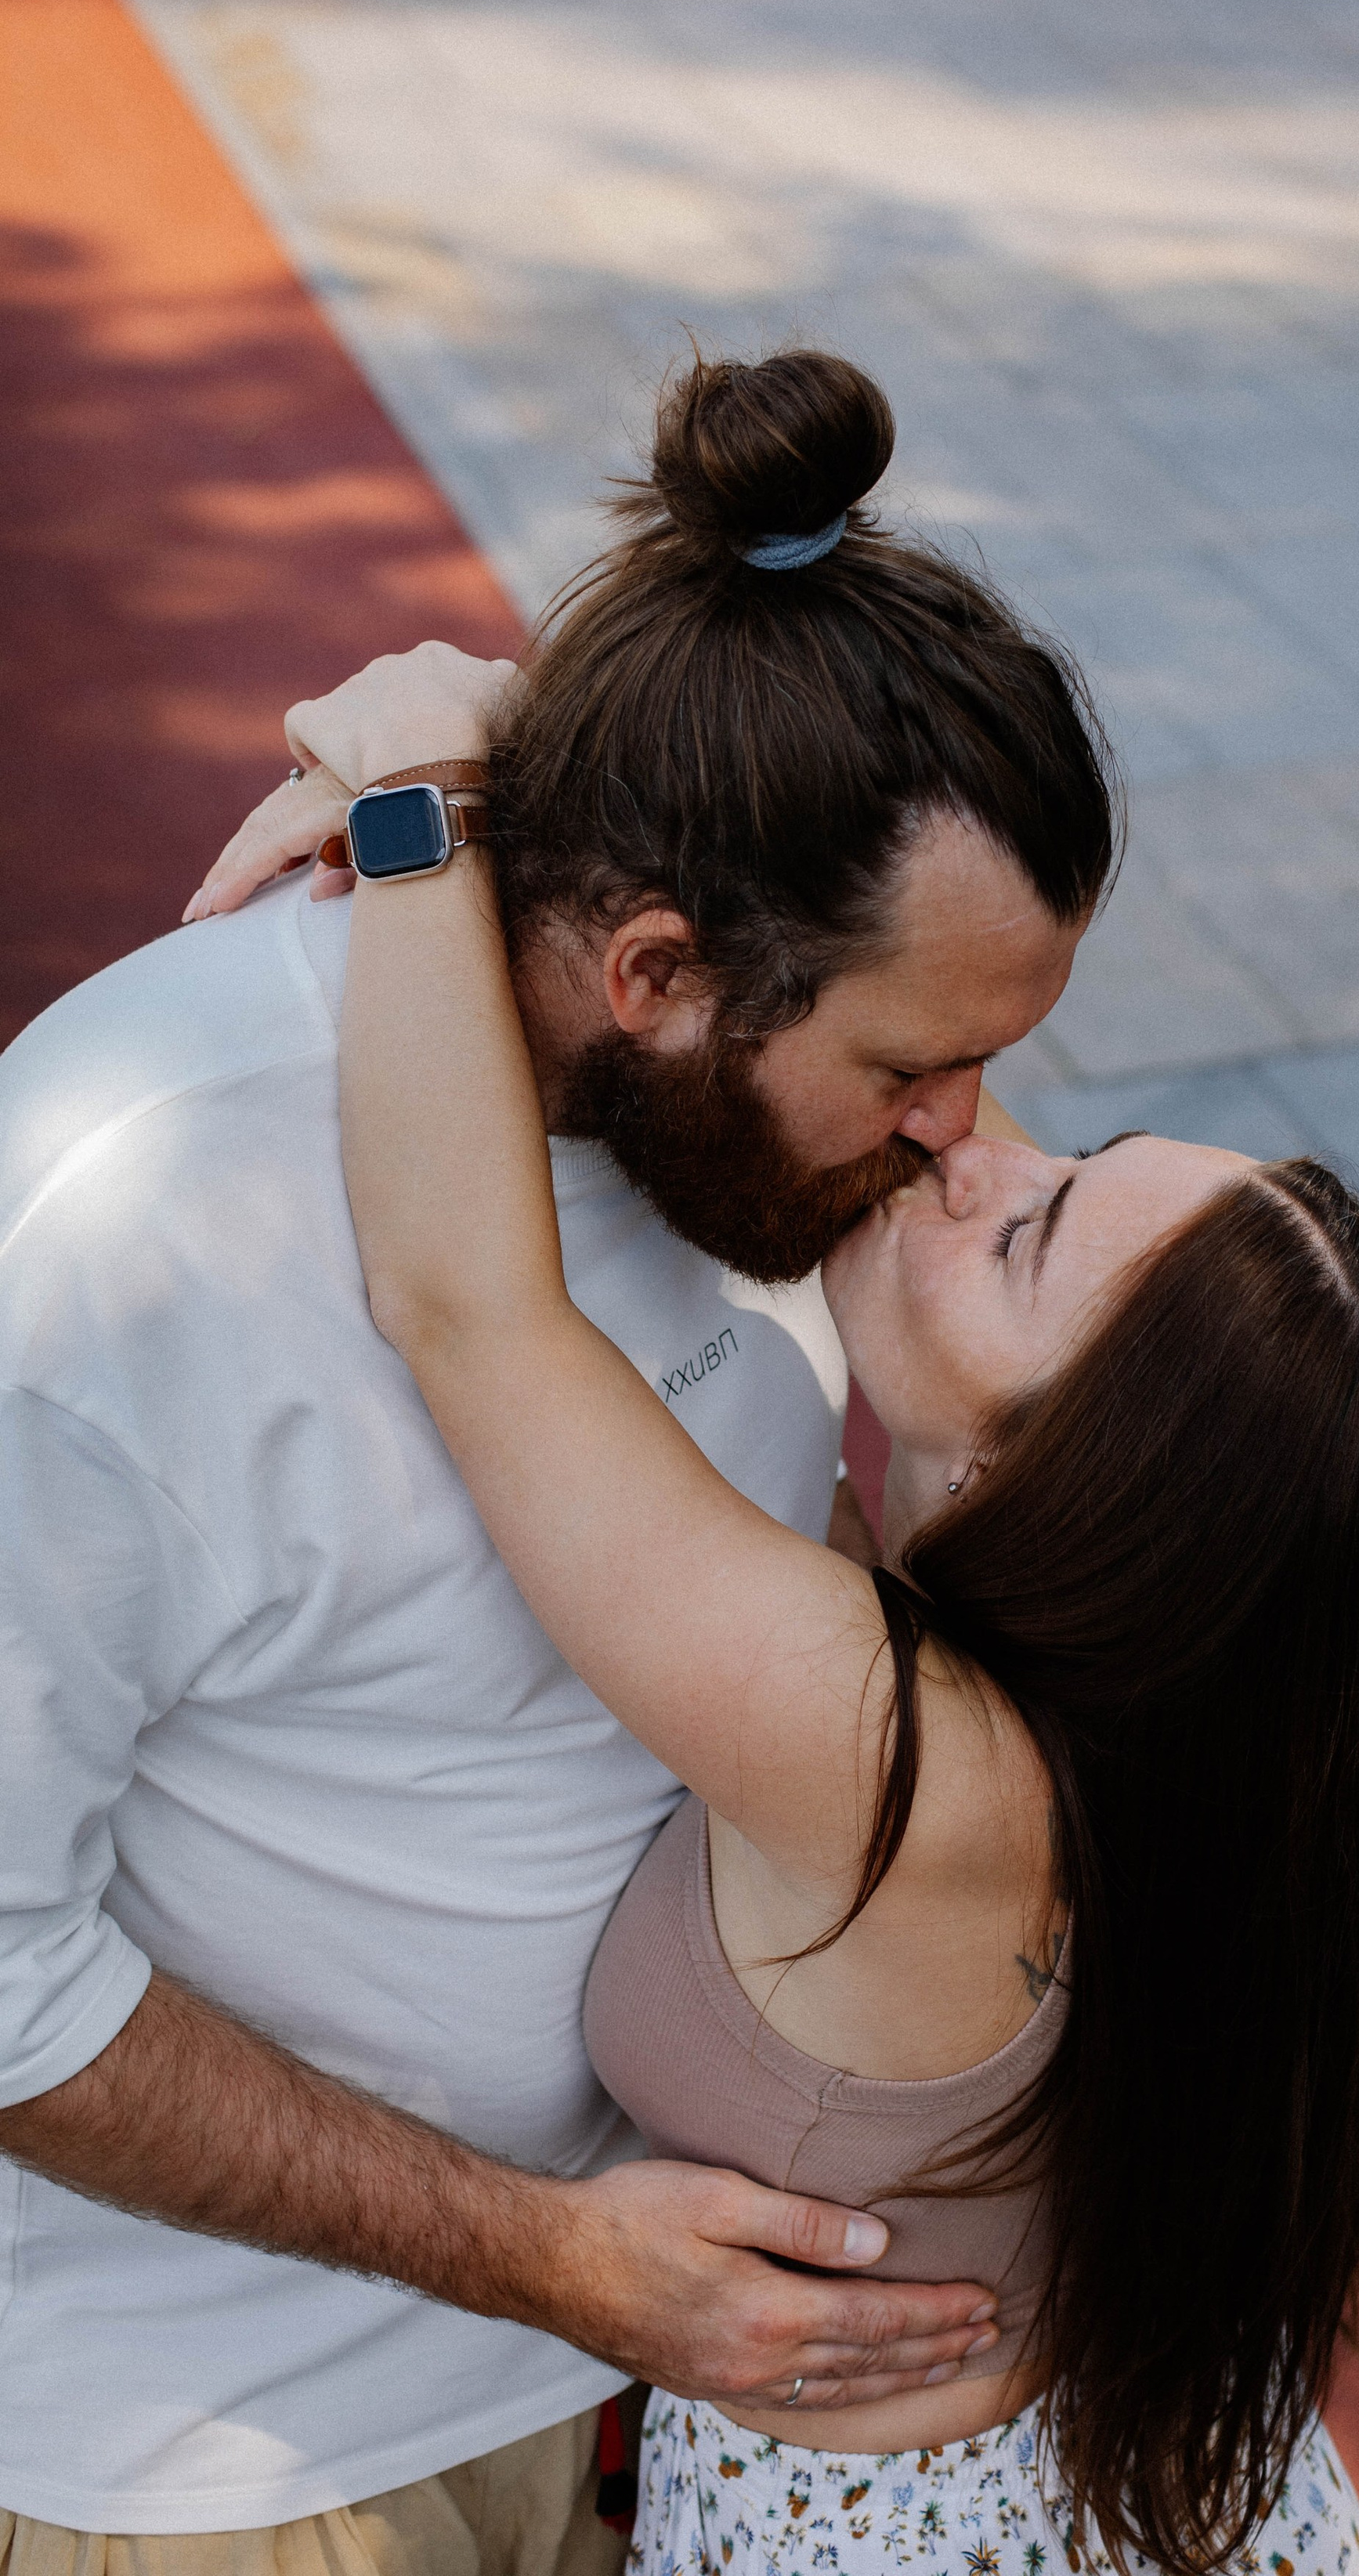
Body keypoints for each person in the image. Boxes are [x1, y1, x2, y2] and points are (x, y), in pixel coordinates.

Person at [0, 351, 1117, 2571]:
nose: (962, 1139)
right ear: (657, 975)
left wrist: (460, 748)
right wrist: (548, 2257)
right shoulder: (132, 1227)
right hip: (241, 2470)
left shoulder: (754, 1127)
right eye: (917, 1064)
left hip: (635, 2377)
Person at [230, 616, 1359, 2576]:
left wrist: (420, 795)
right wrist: (620, 783)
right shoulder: (1196, 1714)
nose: (975, 1150)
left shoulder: (902, 1766)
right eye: (1080, 1152)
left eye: (1033, 1238)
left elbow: (466, 1307)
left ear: (1090, 1490)